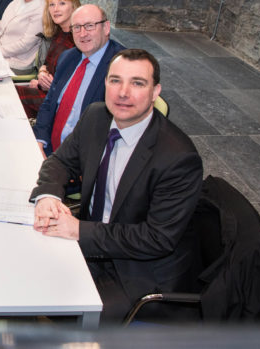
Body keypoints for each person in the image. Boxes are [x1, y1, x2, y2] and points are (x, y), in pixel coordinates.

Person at [30, 49, 203, 322]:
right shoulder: (96, 117)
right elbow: (60, 161)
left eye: (137, 83)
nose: (123, 93)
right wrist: (48, 196)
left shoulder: (178, 158)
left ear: (155, 91)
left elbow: (156, 239)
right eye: (115, 80)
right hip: (94, 241)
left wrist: (79, 230)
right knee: (25, 274)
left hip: (137, 270)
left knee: (60, 308)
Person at [33, 4, 125, 157]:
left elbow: (112, 129)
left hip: (83, 159)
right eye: (77, 27)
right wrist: (40, 140)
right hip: (50, 148)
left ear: (106, 27)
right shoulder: (68, 57)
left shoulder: (121, 66)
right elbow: (49, 103)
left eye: (89, 26)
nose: (82, 34)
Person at [16, 0, 81, 118]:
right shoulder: (58, 33)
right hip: (45, 92)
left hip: (58, 103)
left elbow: (74, 87)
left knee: (11, 98)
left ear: (74, 7)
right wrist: (41, 73)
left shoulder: (79, 40)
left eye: (62, 3)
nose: (55, 9)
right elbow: (45, 65)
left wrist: (48, 86)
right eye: (51, 5)